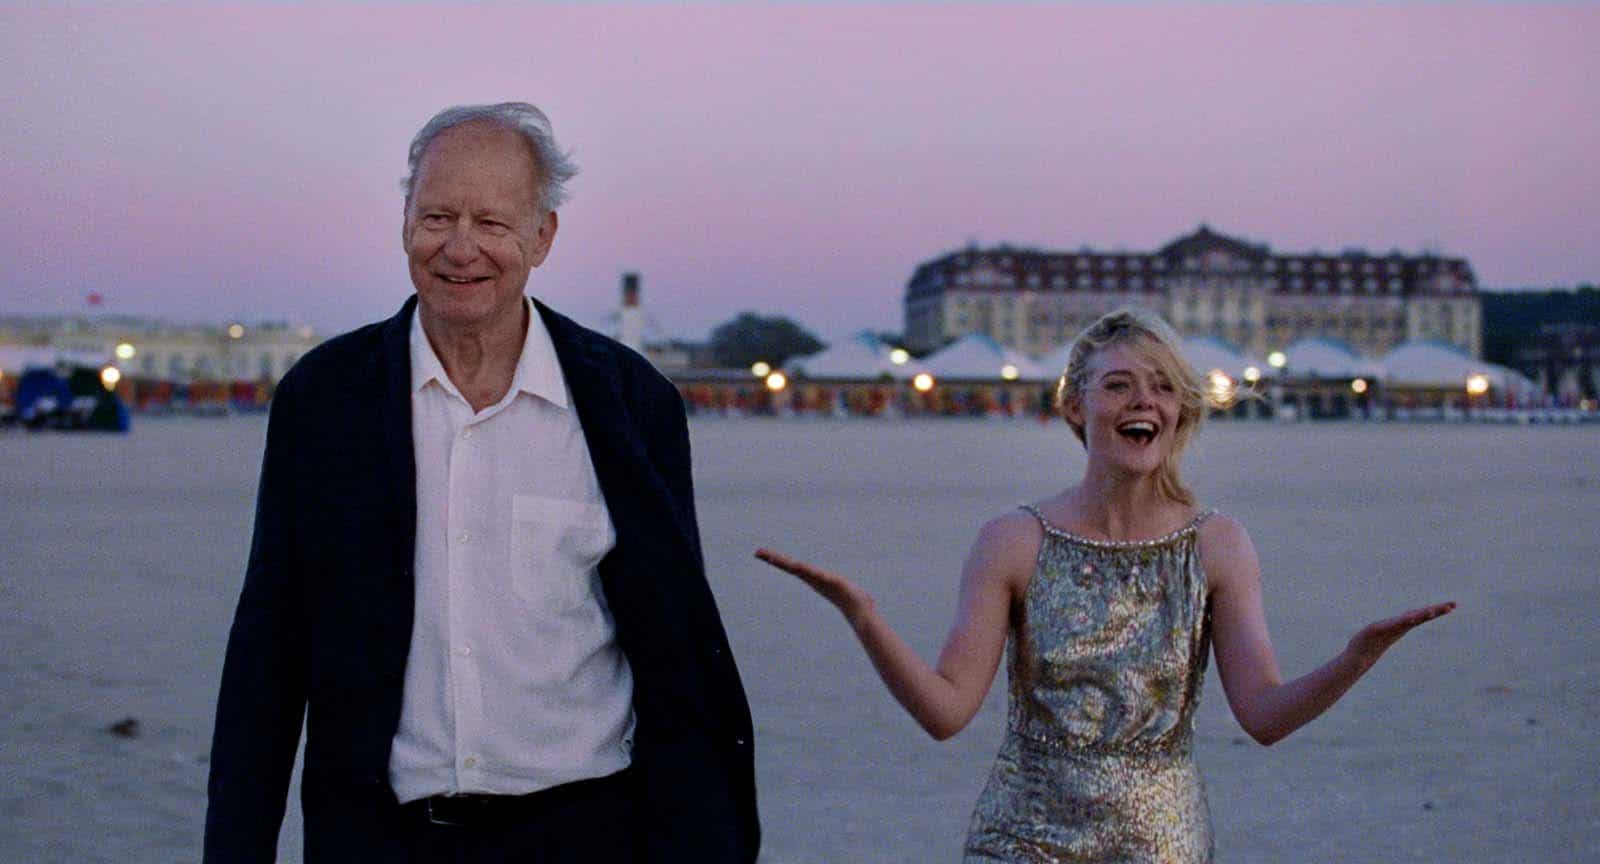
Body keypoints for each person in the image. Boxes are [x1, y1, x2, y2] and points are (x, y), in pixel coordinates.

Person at [204, 103, 758, 863]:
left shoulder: (632, 404)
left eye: (492, 223)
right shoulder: (325, 398)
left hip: (589, 835)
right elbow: (269, 645)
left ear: (543, 237)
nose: (460, 248)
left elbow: (677, 651)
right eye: (437, 217)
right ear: (405, 223)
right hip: (379, 837)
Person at [757, 307, 1454, 862]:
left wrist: (1355, 659)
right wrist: (864, 617)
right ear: (1074, 406)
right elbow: (946, 712)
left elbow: (1264, 717)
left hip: (1163, 844)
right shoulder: (1013, 540)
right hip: (1021, 839)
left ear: (1181, 410)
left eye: (1162, 386)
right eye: (1118, 384)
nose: (1143, 400)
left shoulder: (1218, 545)